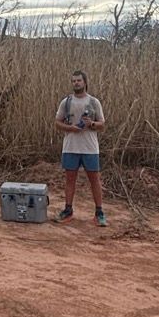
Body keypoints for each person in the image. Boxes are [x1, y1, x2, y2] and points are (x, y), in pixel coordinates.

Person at [54, 70, 107, 227]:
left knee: (94, 180)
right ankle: (68, 210)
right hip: (70, 147)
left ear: (85, 82)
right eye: (74, 81)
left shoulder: (94, 102)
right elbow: (57, 123)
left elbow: (102, 124)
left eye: (79, 80)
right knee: (70, 179)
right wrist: (71, 128)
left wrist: (91, 124)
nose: (76, 83)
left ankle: (99, 213)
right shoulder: (66, 102)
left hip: (90, 148)